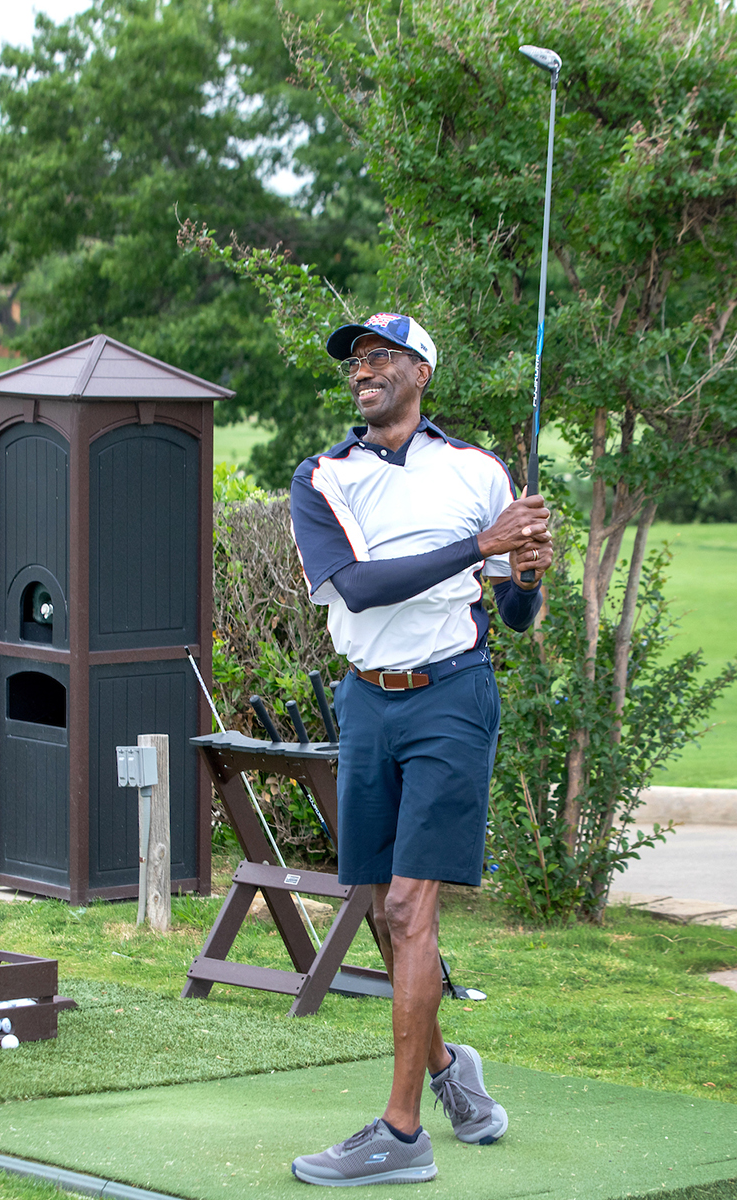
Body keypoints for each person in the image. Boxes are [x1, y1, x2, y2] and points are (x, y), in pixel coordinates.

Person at [287, 313, 551, 1186]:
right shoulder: (322, 476)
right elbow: (360, 590)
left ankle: (401, 1135)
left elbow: (514, 612)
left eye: (380, 356)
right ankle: (447, 1069)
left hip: (450, 695)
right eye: (356, 361)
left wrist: (527, 573)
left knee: (408, 906)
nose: (363, 370)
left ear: (421, 371)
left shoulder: (477, 471)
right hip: (367, 699)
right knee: (380, 908)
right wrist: (483, 546)